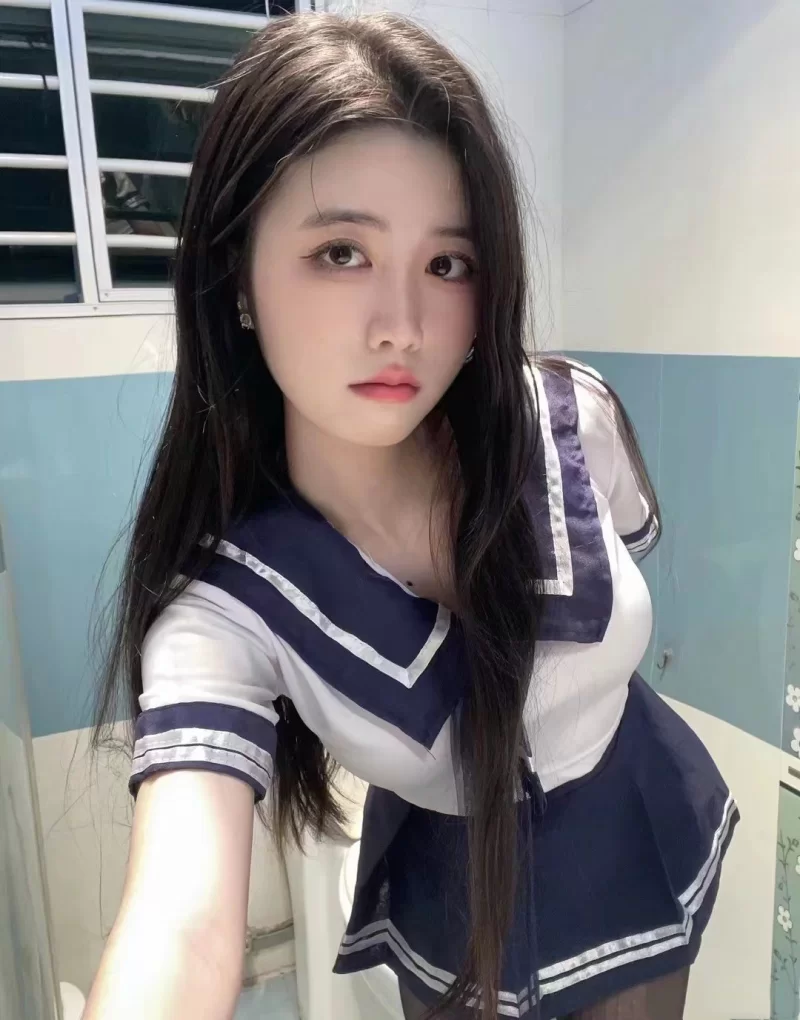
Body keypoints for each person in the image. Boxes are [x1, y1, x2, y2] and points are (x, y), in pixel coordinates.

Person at [85, 12, 737, 1020]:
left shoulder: (570, 417)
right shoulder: (224, 613)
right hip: (451, 901)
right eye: (341, 251)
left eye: (447, 264)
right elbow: (184, 921)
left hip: (642, 830)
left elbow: (630, 549)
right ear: (235, 274)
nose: (402, 326)